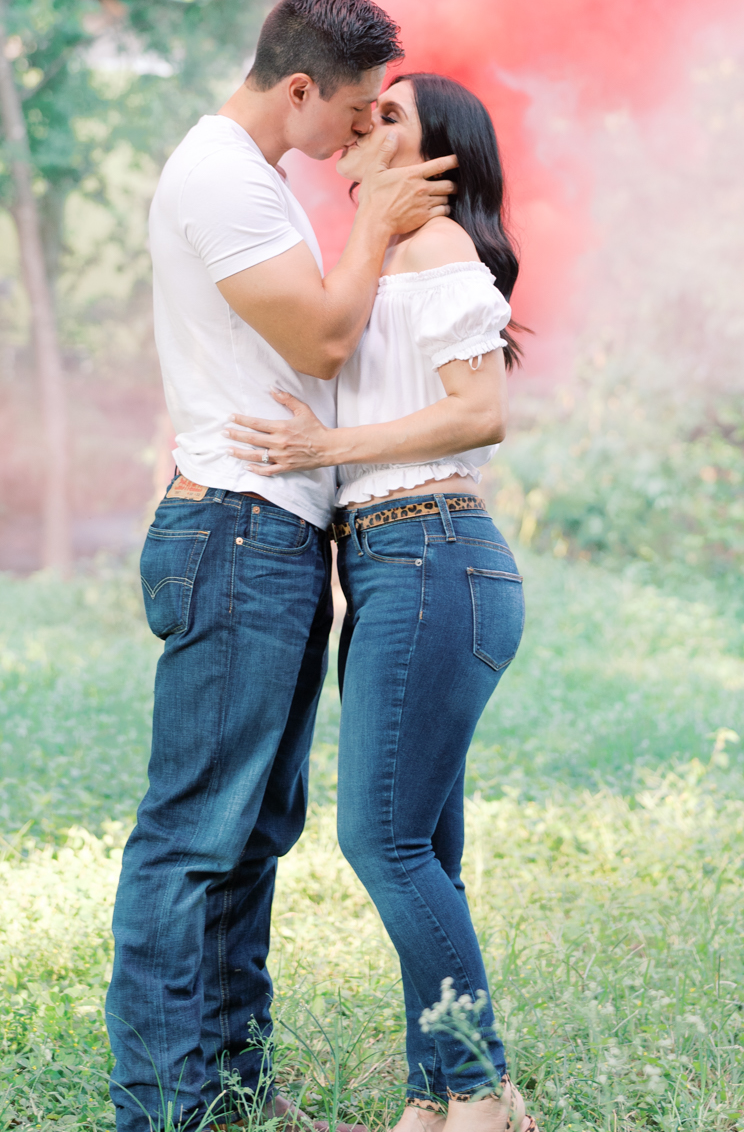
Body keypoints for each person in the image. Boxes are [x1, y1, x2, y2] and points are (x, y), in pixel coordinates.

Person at [107, 0, 457, 1132]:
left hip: (273, 531)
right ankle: (167, 1109)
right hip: (237, 530)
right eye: (354, 113)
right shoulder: (219, 175)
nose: (362, 135)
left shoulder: (254, 184)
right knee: (194, 834)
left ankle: (230, 1083)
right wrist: (373, 225)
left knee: (253, 831)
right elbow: (319, 333)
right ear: (299, 88)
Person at [229, 74, 534, 1132]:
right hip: (393, 565)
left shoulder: (437, 252)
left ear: (436, 160)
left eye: (391, 115)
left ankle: (487, 1095)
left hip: (433, 557)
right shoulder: (383, 260)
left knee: (383, 844)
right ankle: (432, 1098)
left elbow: (481, 410)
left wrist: (328, 447)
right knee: (424, 853)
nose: (367, 123)